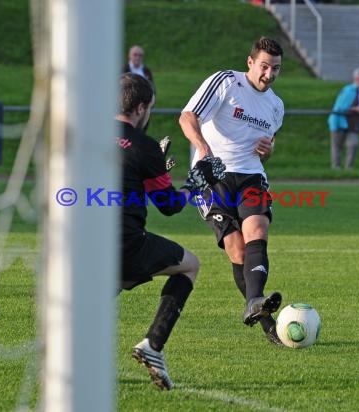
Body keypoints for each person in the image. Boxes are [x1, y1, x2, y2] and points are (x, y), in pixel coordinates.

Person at [117, 73, 225, 390]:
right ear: (140, 108)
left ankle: (59, 358)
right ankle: (153, 344)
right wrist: (196, 181)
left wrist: (154, 169)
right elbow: (169, 205)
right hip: (126, 243)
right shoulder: (144, 145)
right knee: (190, 264)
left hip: (80, 239)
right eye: (148, 108)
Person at [179, 37, 285, 345]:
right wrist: (203, 149)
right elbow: (188, 117)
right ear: (250, 62)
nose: (269, 74)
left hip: (251, 175)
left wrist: (267, 150)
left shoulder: (276, 106)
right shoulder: (226, 82)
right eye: (264, 66)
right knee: (236, 249)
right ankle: (265, 320)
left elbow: (268, 147)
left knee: (258, 230)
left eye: (275, 69)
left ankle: (255, 303)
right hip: (215, 177)